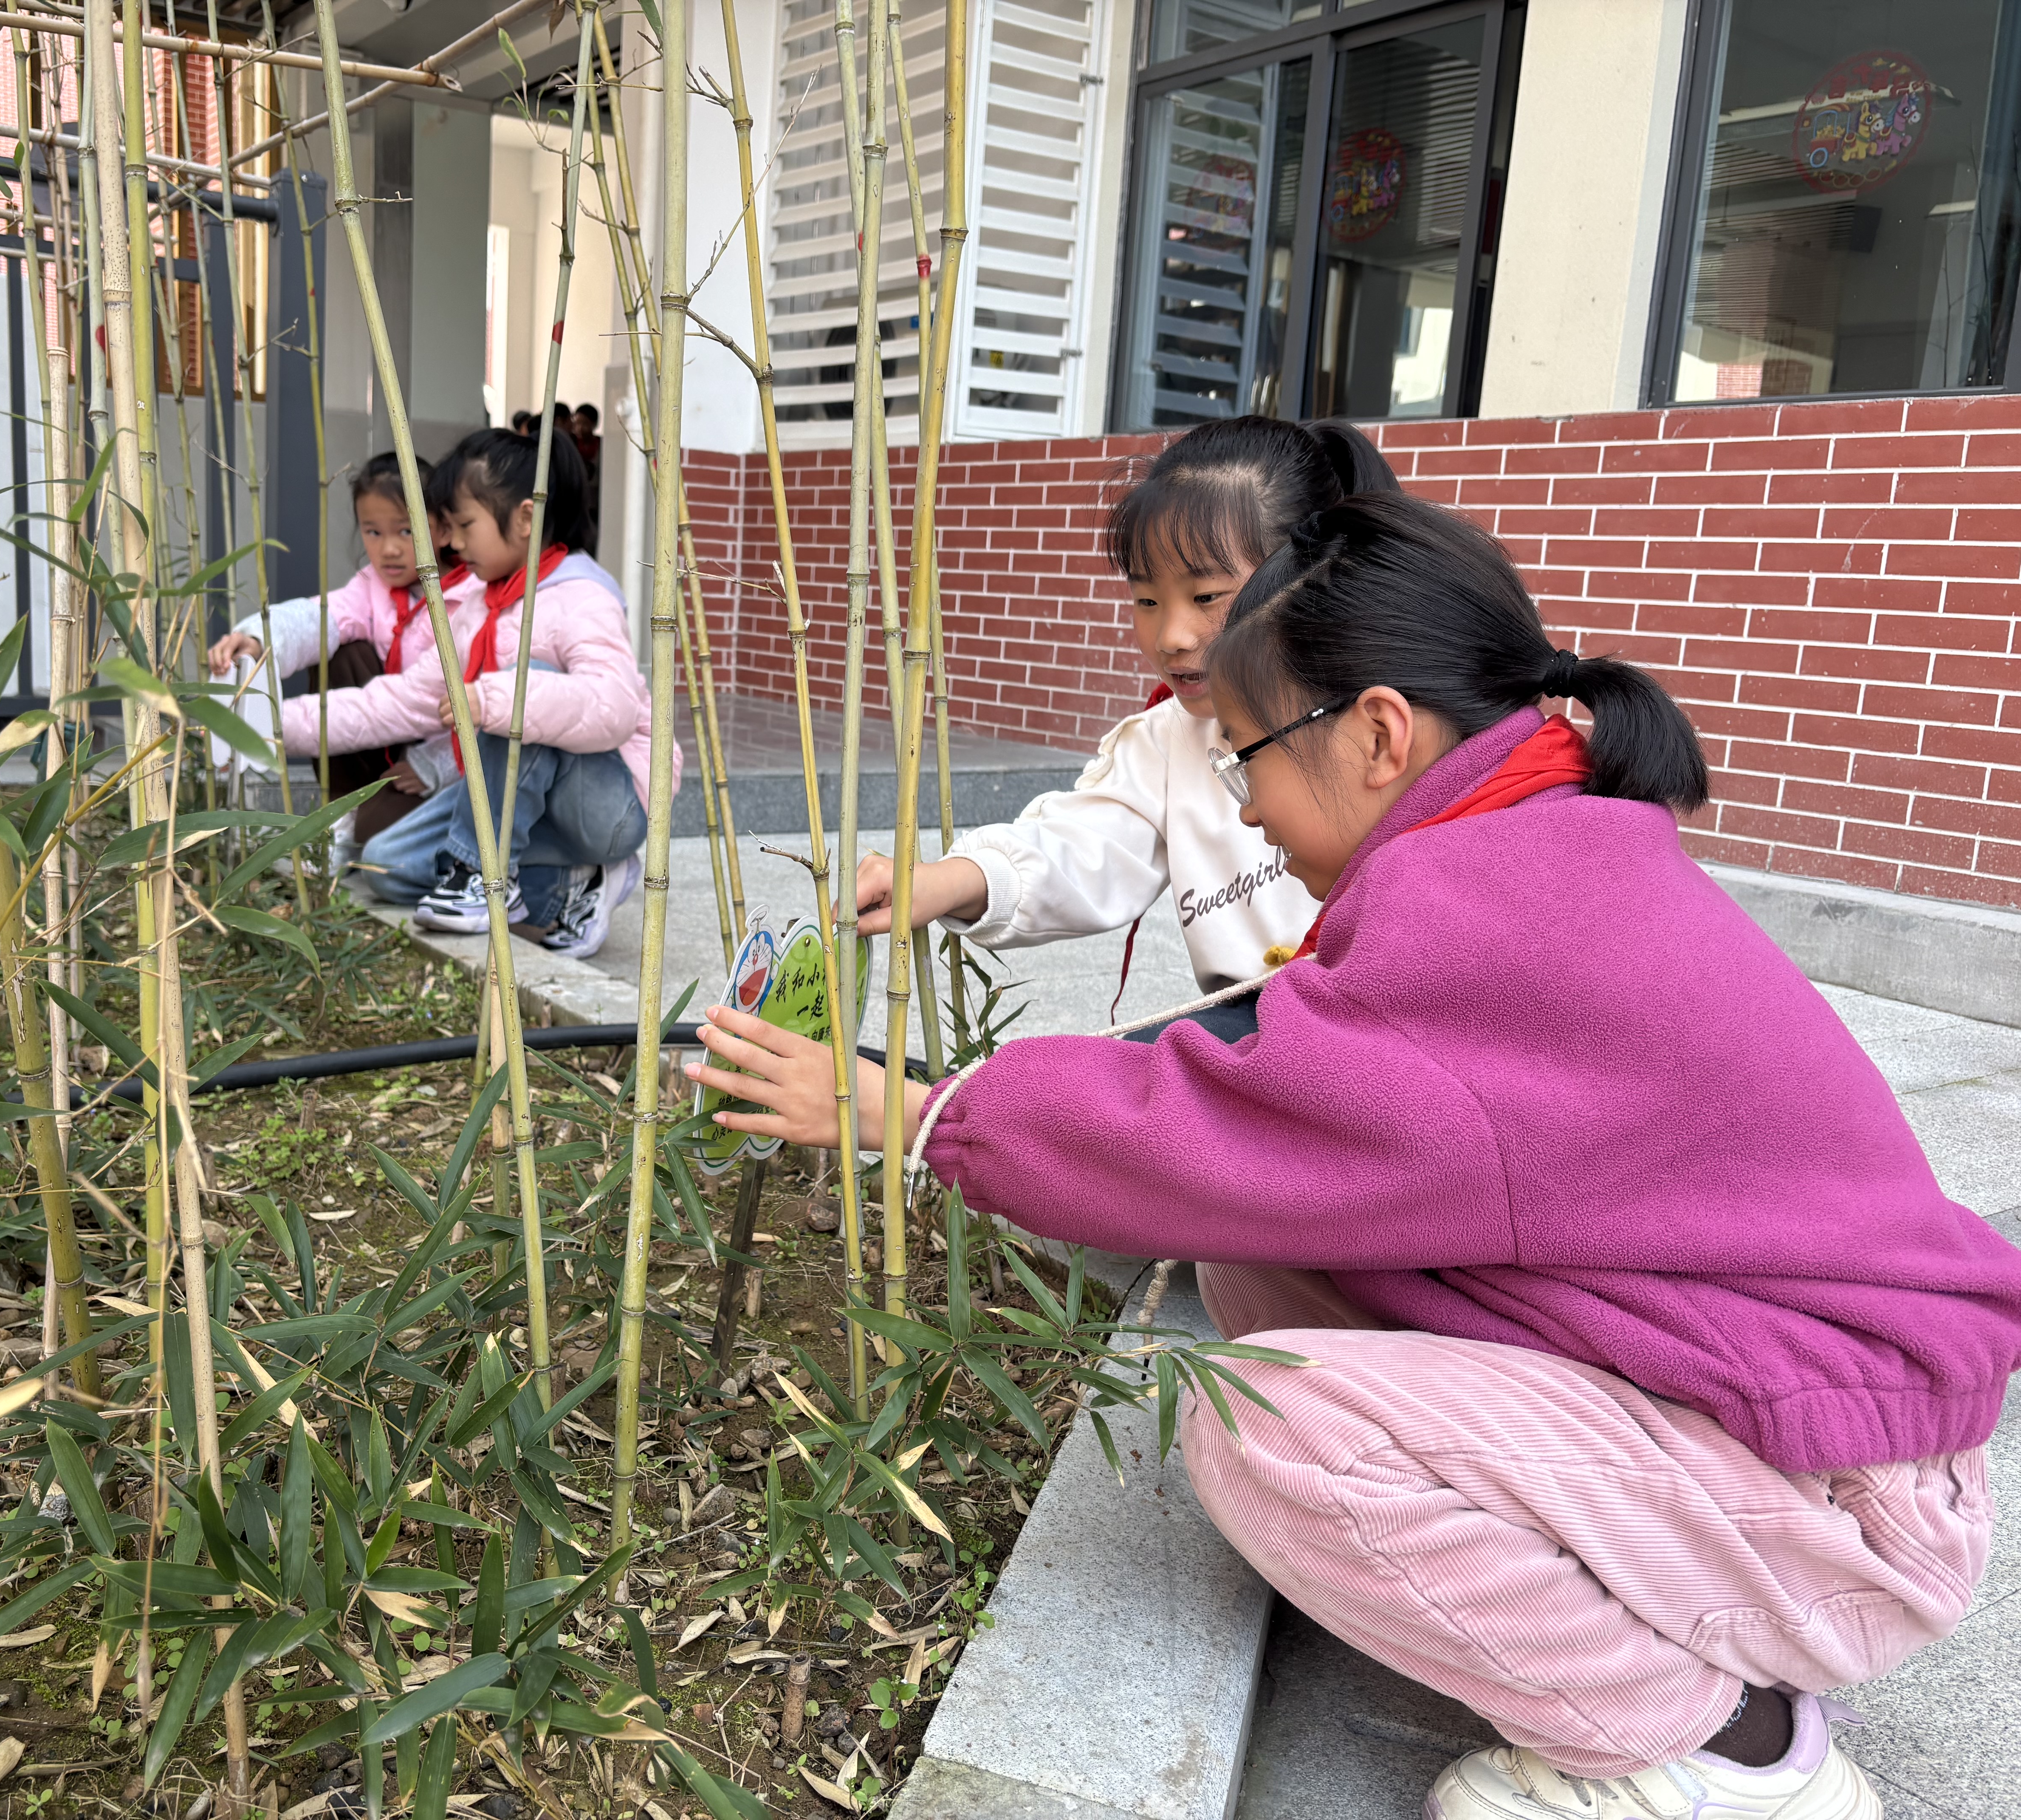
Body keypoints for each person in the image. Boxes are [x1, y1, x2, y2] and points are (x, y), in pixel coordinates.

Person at [687, 493, 2021, 1820]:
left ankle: (1721, 1746)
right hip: (1792, 1419)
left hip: (1840, 1502)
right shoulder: (1533, 846)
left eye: (1246, 759)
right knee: (1261, 1270)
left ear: (1377, 734)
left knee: (1268, 1426)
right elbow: (1273, 1147)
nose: (1248, 808)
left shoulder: (1492, 912)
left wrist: (911, 1111)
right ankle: (1633, 1615)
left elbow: (1218, 1129)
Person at [853, 417, 1397, 1041]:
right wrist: (947, 882)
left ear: (1309, 576)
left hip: (1372, 1035)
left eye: (1206, 596)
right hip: (1242, 1033)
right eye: (1147, 601)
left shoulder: (1383, 728)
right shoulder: (1171, 738)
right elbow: (1084, 846)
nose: (1172, 637)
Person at [356, 427, 663, 958]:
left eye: (464, 525)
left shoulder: (583, 595)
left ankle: (484, 873)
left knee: (524, 682)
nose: (452, 543)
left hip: (607, 809)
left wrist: (494, 699)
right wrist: (274, 722)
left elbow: (615, 709)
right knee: (384, 865)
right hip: (516, 793)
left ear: (525, 518)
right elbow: (404, 697)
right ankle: (567, 885)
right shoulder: (480, 601)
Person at [205, 452, 474, 851]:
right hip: (382, 733)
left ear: (444, 529)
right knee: (341, 650)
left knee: (378, 837)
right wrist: (258, 640)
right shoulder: (373, 586)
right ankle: (342, 810)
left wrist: (436, 765)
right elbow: (318, 619)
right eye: (373, 532)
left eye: (406, 531)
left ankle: (373, 823)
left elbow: (469, 717)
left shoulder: (471, 600)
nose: (389, 549)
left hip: (445, 760)